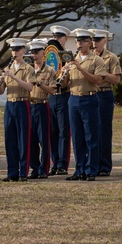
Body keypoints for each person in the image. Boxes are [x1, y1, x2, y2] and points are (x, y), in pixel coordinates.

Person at [62, 29, 106, 181]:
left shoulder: (96, 60)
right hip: (73, 99)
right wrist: (63, 73)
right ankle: (79, 169)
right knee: (77, 136)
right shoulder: (71, 60)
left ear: (89, 43)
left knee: (91, 135)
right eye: (77, 41)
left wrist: (80, 68)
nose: (79, 44)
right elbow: (65, 84)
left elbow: (98, 80)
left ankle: (91, 169)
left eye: (82, 41)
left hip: (89, 98)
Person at [0, 38, 36, 182]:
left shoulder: (28, 68)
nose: (15, 53)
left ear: (23, 51)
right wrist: (0, 82)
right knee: (10, 139)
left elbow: (29, 87)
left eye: (17, 50)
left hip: (22, 103)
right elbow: (1, 91)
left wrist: (13, 77)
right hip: (10, 104)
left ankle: (23, 172)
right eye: (13, 50)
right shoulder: (7, 69)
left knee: (23, 138)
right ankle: (12, 172)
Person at [92, 29, 121, 177]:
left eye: (97, 40)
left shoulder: (111, 57)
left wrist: (102, 72)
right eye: (93, 40)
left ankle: (104, 165)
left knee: (104, 130)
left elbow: (116, 79)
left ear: (104, 40)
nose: (94, 43)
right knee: (91, 131)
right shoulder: (87, 57)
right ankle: (92, 164)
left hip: (104, 94)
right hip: (90, 94)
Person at [28, 38, 56, 179]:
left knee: (44, 139)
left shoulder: (49, 70)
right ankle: (34, 167)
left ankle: (44, 168)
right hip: (29, 106)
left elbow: (52, 90)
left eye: (37, 52)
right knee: (31, 139)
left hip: (42, 105)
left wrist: (39, 84)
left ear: (43, 53)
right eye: (32, 52)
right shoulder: (28, 70)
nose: (34, 55)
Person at [46, 24, 72, 175]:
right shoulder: (49, 56)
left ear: (65, 38)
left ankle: (62, 163)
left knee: (63, 131)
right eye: (54, 36)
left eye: (59, 36)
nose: (56, 39)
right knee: (52, 131)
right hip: (51, 96)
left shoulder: (68, 57)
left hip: (63, 95)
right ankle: (54, 162)